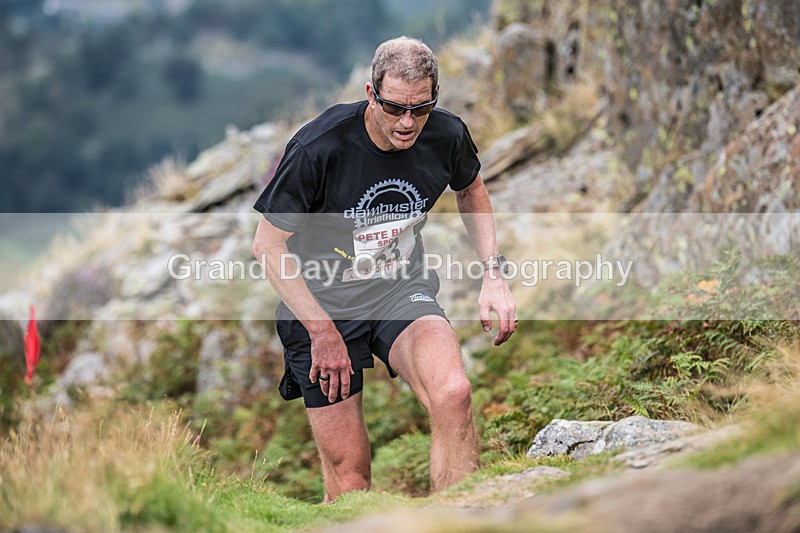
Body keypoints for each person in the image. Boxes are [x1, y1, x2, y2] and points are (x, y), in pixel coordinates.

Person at [252, 36, 516, 502]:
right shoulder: (320, 147)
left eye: (421, 108)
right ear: (371, 93)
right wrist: (322, 331)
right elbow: (268, 246)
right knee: (351, 480)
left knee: (453, 395)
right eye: (395, 108)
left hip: (400, 293)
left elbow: (471, 189)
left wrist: (492, 275)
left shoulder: (446, 135)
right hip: (322, 306)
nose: (408, 123)